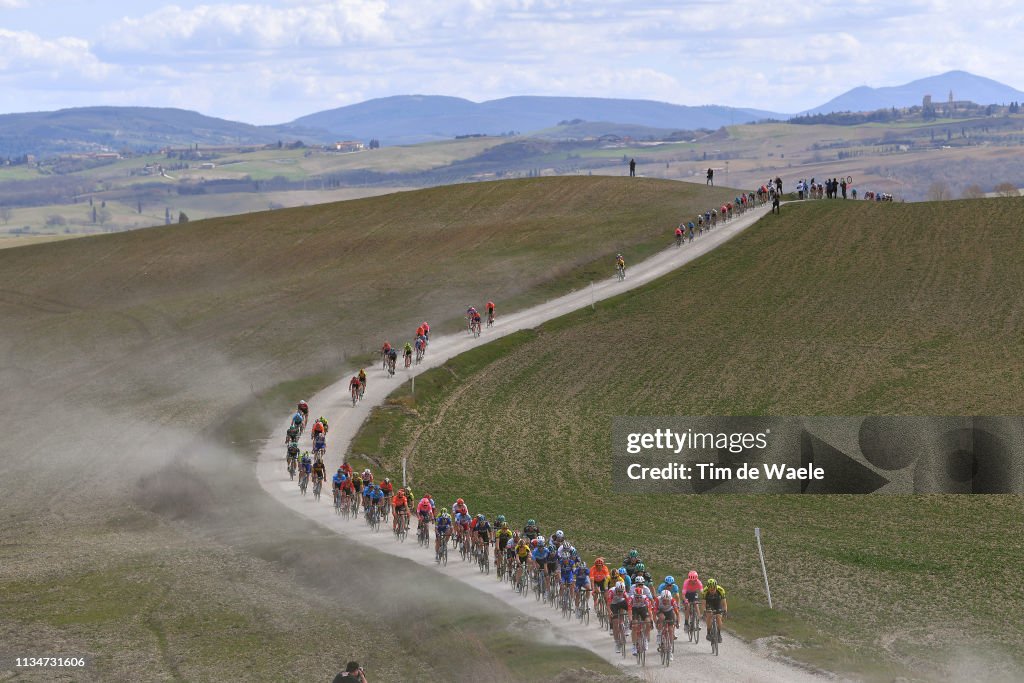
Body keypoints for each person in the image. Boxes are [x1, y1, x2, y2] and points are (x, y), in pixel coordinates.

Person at [655, 590, 681, 660]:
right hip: (660, 611)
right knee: (662, 617)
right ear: (661, 598)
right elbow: (654, 612)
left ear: (669, 599)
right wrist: (655, 622)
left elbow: (677, 613)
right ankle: (659, 634)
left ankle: (670, 650)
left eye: (667, 600)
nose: (665, 602)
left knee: (671, 630)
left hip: (669, 612)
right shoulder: (658, 599)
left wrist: (678, 622)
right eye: (664, 600)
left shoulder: (672, 600)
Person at [702, 578, 728, 644]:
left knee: (719, 617)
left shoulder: (721, 590)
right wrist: (704, 611)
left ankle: (719, 634)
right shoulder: (705, 591)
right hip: (709, 602)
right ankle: (708, 633)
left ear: (716, 587)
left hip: (717, 602)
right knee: (709, 615)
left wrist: (725, 611)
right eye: (710, 590)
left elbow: (724, 603)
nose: (712, 591)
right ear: (708, 588)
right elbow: (703, 603)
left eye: (713, 589)